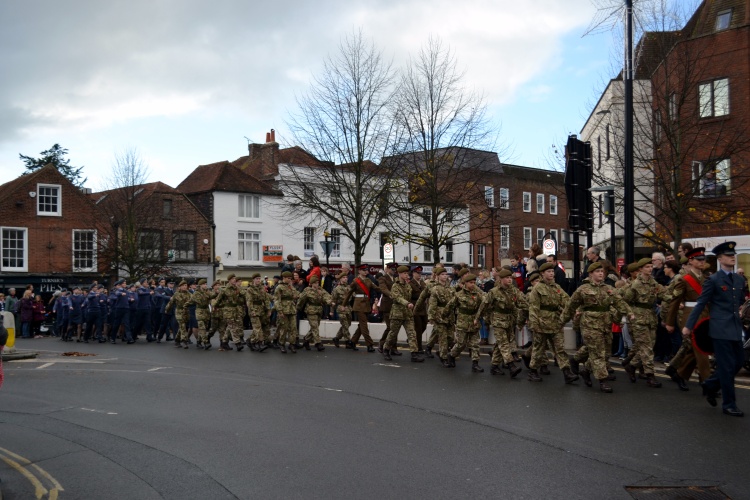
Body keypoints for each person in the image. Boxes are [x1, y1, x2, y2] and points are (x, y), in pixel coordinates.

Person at [683, 241, 745, 417]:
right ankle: (729, 404)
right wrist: (689, 326)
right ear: (719, 258)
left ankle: (710, 384)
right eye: (728, 255)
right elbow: (701, 303)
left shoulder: (739, 279)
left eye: (733, 255)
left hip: (734, 328)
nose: (732, 258)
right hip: (719, 329)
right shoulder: (714, 280)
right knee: (726, 367)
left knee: (738, 362)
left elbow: (739, 302)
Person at [563, 262, 633, 393]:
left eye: (602, 271)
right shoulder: (583, 289)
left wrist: (629, 313)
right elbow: (570, 306)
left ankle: (586, 370)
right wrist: (563, 320)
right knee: (598, 353)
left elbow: (619, 302)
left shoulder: (608, 288)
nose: (601, 273)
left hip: (605, 324)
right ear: (590, 274)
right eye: (597, 271)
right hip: (590, 325)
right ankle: (603, 380)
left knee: (606, 353)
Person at [665, 248, 710, 391]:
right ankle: (708, 383)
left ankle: (679, 373)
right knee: (701, 349)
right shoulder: (684, 279)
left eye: (703, 259)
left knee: (693, 350)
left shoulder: (707, 278)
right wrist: (670, 322)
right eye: (699, 260)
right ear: (690, 261)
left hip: (705, 315)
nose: (702, 262)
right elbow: (675, 302)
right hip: (690, 316)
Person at [621, 258, 669, 388]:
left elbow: (665, 294)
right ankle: (650, 375)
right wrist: (629, 314)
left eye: (651, 266)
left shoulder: (653, 283)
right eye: (647, 267)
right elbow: (625, 300)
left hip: (651, 317)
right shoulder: (635, 284)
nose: (650, 269)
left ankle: (631, 365)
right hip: (638, 318)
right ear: (641, 269)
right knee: (646, 347)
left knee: (649, 345)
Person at [525, 263, 575, 383]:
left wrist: (575, 310)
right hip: (541, 323)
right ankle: (533, 371)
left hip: (555, 323)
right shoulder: (537, 288)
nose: (551, 274)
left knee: (560, 348)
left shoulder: (556, 287)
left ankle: (567, 372)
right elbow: (533, 308)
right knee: (539, 349)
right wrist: (535, 324)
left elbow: (567, 301)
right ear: (542, 274)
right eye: (548, 272)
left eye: (552, 271)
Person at [476, 268, 526, 378]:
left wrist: (530, 312)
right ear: (501, 279)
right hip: (498, 321)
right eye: (507, 278)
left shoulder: (513, 290)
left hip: (509, 321)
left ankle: (494, 366)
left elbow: (523, 303)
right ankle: (511, 365)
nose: (510, 280)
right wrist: (477, 318)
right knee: (504, 343)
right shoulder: (494, 292)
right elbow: (484, 305)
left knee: (500, 345)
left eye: (510, 278)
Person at [382, 266, 424, 363]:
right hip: (397, 313)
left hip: (407, 314)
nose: (406, 275)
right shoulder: (395, 286)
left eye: (407, 273)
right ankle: (386, 350)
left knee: (412, 333)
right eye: (404, 273)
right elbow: (397, 298)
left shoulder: (408, 285)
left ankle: (414, 354)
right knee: (393, 334)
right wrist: (407, 303)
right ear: (399, 274)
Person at [444, 273, 484, 371]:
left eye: (474, 283)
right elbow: (450, 306)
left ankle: (475, 363)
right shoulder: (459, 295)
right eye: (470, 283)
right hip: (463, 322)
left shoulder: (478, 294)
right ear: (465, 283)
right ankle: (451, 356)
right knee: (461, 344)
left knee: (475, 344)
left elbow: (484, 304)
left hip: (474, 321)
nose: (473, 284)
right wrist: (444, 316)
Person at [344, 264, 377, 352]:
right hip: (358, 305)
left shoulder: (368, 280)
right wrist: (343, 305)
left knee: (361, 326)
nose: (366, 271)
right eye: (363, 270)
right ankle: (369, 344)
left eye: (366, 270)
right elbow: (349, 293)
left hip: (366, 305)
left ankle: (352, 342)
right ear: (359, 271)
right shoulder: (356, 281)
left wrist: (387, 291)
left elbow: (377, 288)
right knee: (364, 325)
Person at [297, 275, 332, 351]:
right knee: (315, 327)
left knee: (314, 327)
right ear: (311, 283)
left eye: (318, 282)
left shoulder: (321, 290)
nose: (317, 284)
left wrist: (329, 302)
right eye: (315, 283)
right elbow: (301, 300)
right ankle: (318, 343)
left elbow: (327, 296)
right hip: (311, 310)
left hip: (319, 310)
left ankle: (306, 339)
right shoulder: (307, 290)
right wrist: (298, 308)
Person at [213, 274, 247, 352]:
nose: (234, 280)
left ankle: (224, 342)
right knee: (233, 326)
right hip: (228, 311)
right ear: (229, 280)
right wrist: (215, 307)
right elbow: (218, 300)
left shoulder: (237, 289)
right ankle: (237, 343)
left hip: (236, 310)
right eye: (232, 279)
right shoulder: (224, 290)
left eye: (235, 278)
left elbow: (245, 295)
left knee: (233, 326)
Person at [273, 271, 300, 353]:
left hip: (292, 309)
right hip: (284, 310)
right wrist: (280, 311)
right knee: (283, 328)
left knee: (293, 328)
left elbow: (297, 295)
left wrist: (292, 287)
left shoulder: (291, 286)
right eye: (288, 278)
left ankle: (292, 344)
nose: (290, 280)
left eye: (290, 278)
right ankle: (282, 344)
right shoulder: (279, 287)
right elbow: (277, 300)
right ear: (284, 278)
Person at [245, 273, 271, 352]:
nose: (258, 280)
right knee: (257, 327)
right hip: (254, 311)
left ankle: (250, 341)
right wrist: (252, 311)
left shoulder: (262, 288)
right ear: (253, 280)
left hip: (261, 310)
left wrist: (268, 310)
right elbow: (249, 302)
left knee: (260, 327)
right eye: (257, 279)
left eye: (259, 279)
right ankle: (260, 344)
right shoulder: (250, 289)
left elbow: (266, 300)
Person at [330, 272, 353, 347]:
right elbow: (333, 300)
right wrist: (331, 311)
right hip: (341, 308)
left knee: (347, 324)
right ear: (340, 279)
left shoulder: (349, 287)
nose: (345, 279)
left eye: (346, 277)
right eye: (344, 277)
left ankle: (337, 338)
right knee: (345, 325)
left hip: (348, 308)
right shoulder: (337, 289)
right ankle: (348, 341)